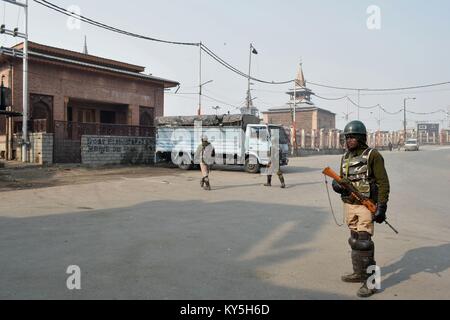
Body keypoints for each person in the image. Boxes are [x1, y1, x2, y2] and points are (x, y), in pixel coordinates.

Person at [332, 120, 390, 298]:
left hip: (366, 204)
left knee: (365, 242)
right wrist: (337, 185)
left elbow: (383, 183)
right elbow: (341, 179)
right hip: (349, 204)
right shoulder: (346, 157)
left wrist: (381, 206)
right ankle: (358, 273)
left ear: (361, 138)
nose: (348, 141)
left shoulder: (373, 155)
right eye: (347, 137)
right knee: (354, 240)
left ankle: (371, 282)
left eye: (352, 137)